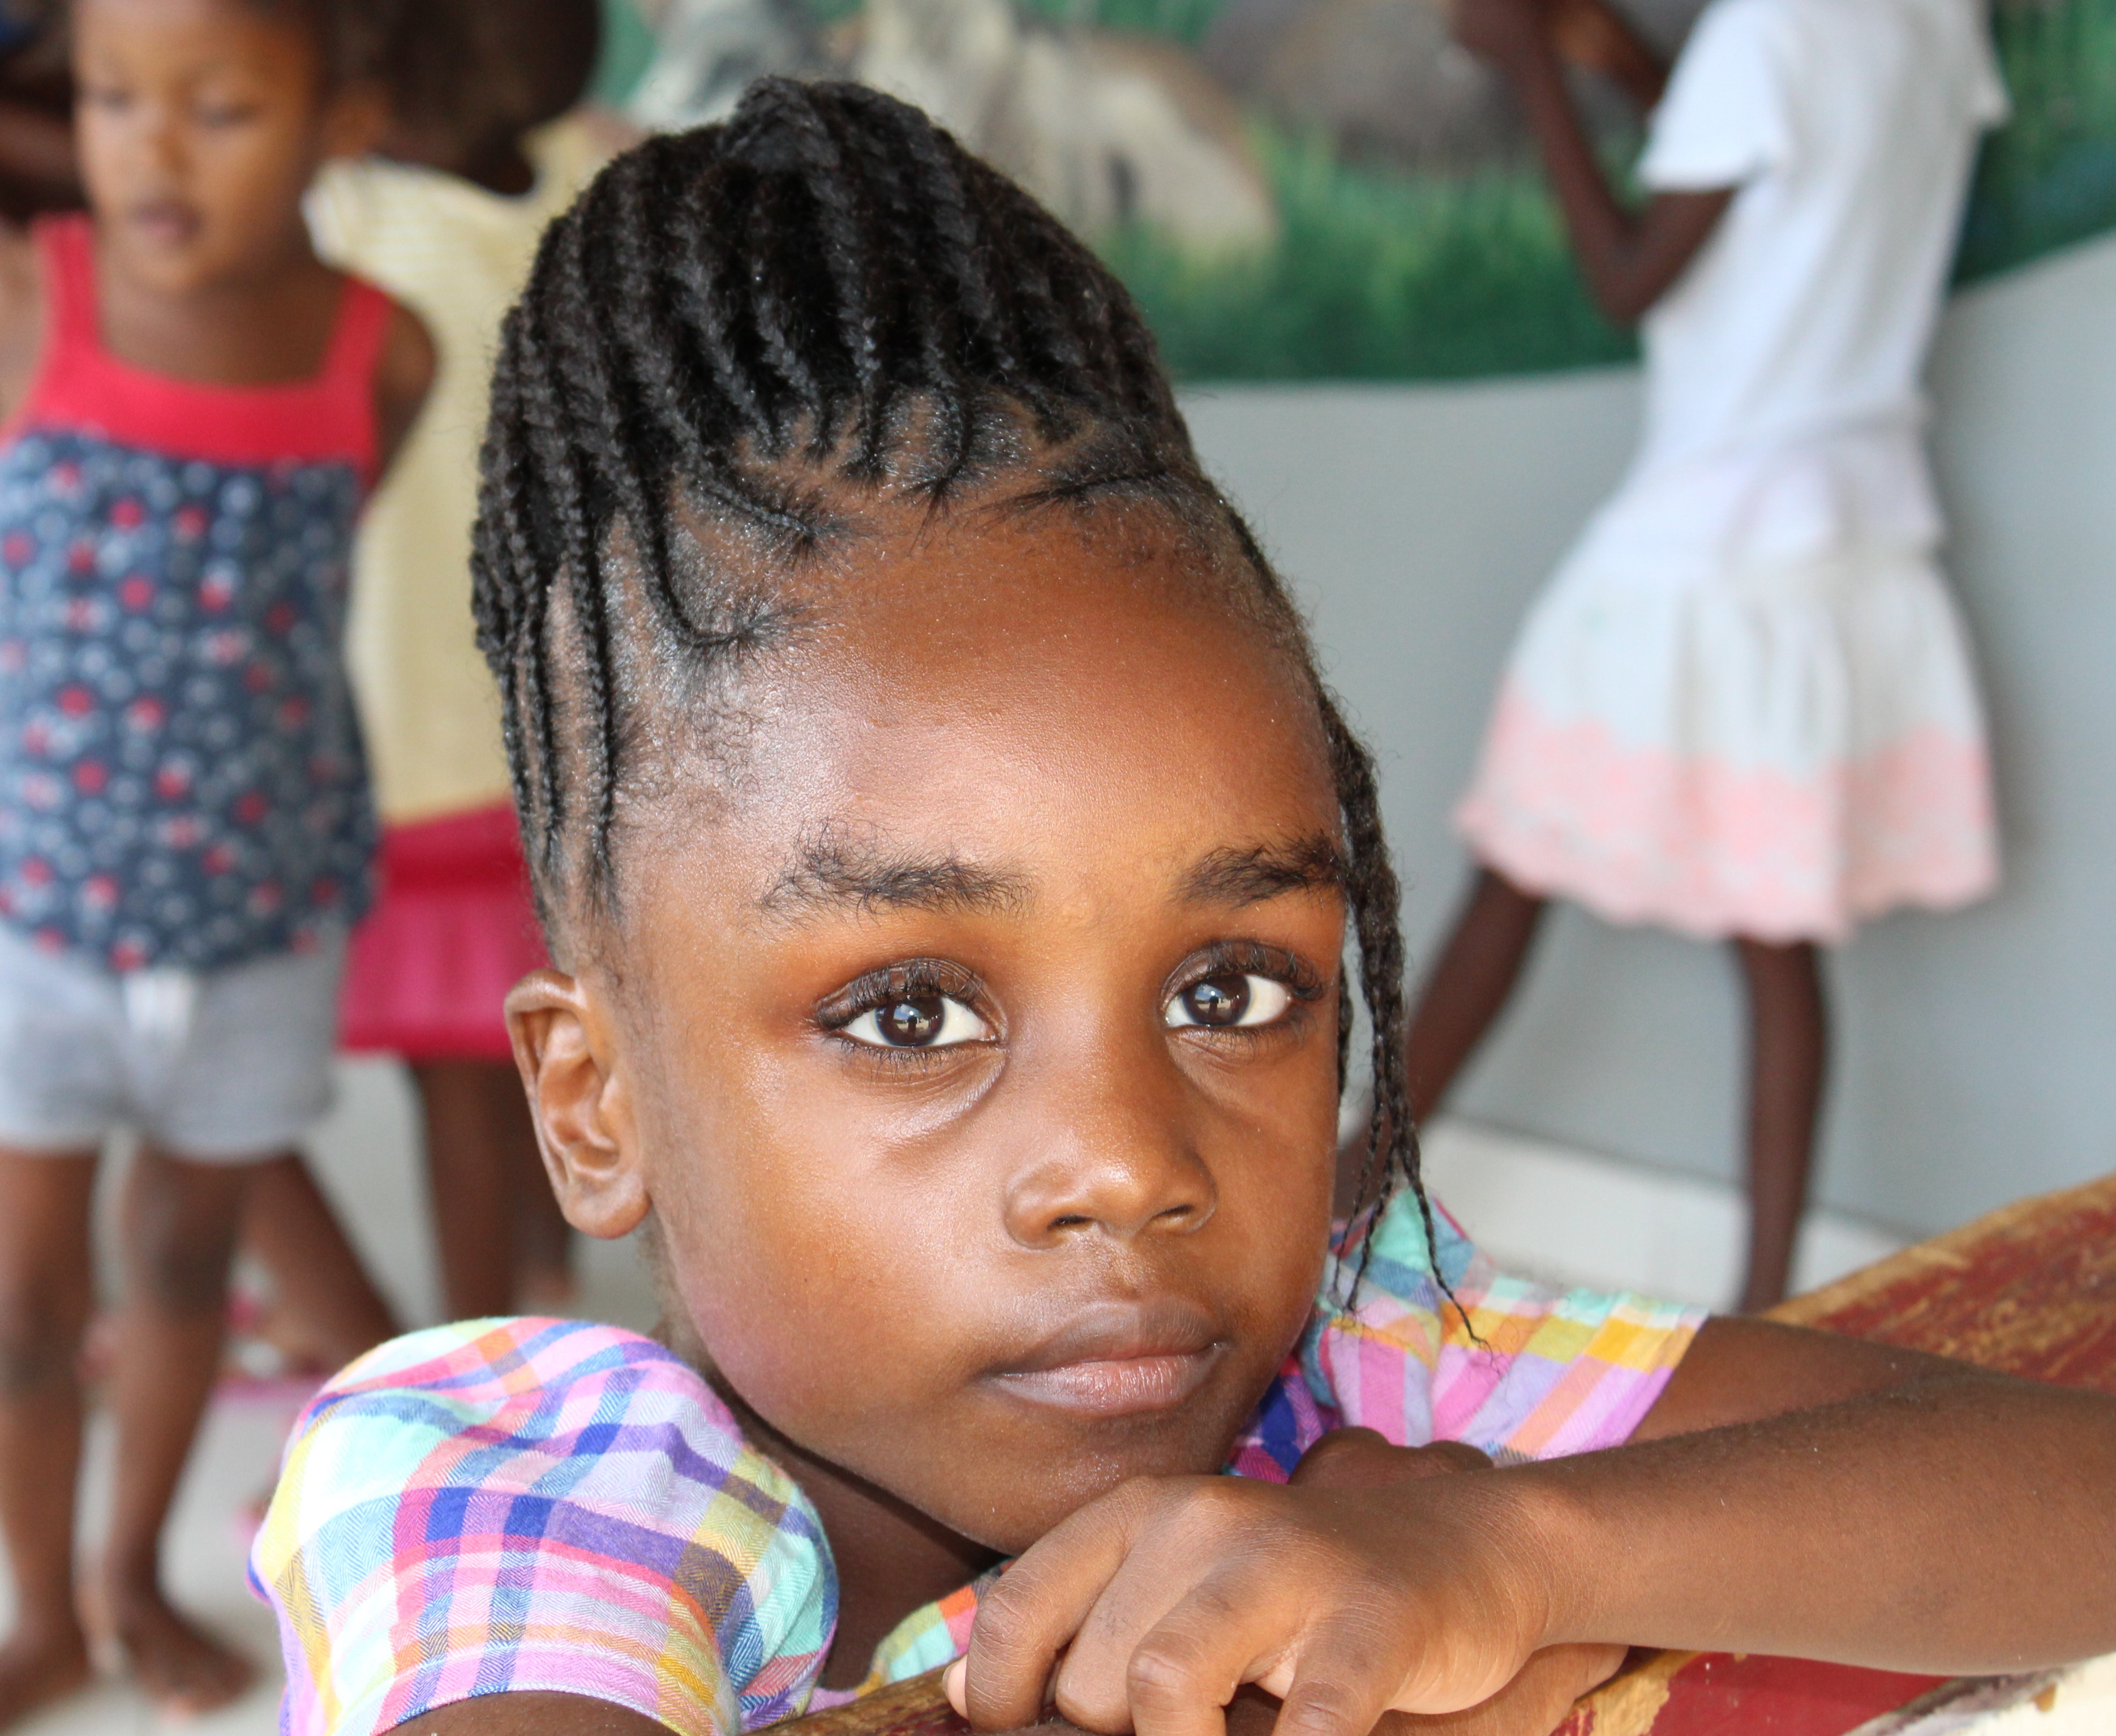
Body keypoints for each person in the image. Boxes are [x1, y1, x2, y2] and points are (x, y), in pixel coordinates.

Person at [251, 80, 2114, 1736]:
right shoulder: (528, 1491)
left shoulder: (1364, 1346)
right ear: (597, 1101)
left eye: (1230, 987)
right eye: (913, 1011)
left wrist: (1521, 1553)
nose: (1130, 1165)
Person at [1412, 0, 2009, 1311]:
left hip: (1702, 546)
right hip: (1845, 532)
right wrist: (1632, 68)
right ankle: (1771, 1305)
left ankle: (1341, 1195)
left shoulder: (1762, 36)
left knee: (1515, 866)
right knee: (1776, 938)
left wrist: (1530, 65)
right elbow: (1800, 166)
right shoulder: (1934, 23)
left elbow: (1629, 278)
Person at [0, 0, 431, 1723]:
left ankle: (132, 1576)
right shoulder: (30, 301)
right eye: (114, 99)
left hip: (260, 925)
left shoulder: (382, 352)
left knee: (187, 1262)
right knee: (24, 1303)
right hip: (36, 916)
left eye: (219, 109)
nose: (153, 149)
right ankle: (42, 1611)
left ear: (343, 122)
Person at [286, 0, 614, 1323]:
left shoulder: (345, 222)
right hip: (558, 734)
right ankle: (543, 1285)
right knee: (533, 1040)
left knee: (461, 1082)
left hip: (411, 747)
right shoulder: (584, 184)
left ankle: (480, 1356)